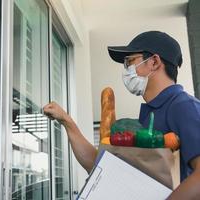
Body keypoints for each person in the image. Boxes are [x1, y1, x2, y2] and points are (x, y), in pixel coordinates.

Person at [43, 31, 200, 199]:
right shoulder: (149, 117)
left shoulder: (183, 106)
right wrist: (67, 122)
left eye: (130, 62)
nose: (126, 70)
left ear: (154, 62)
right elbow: (102, 167)